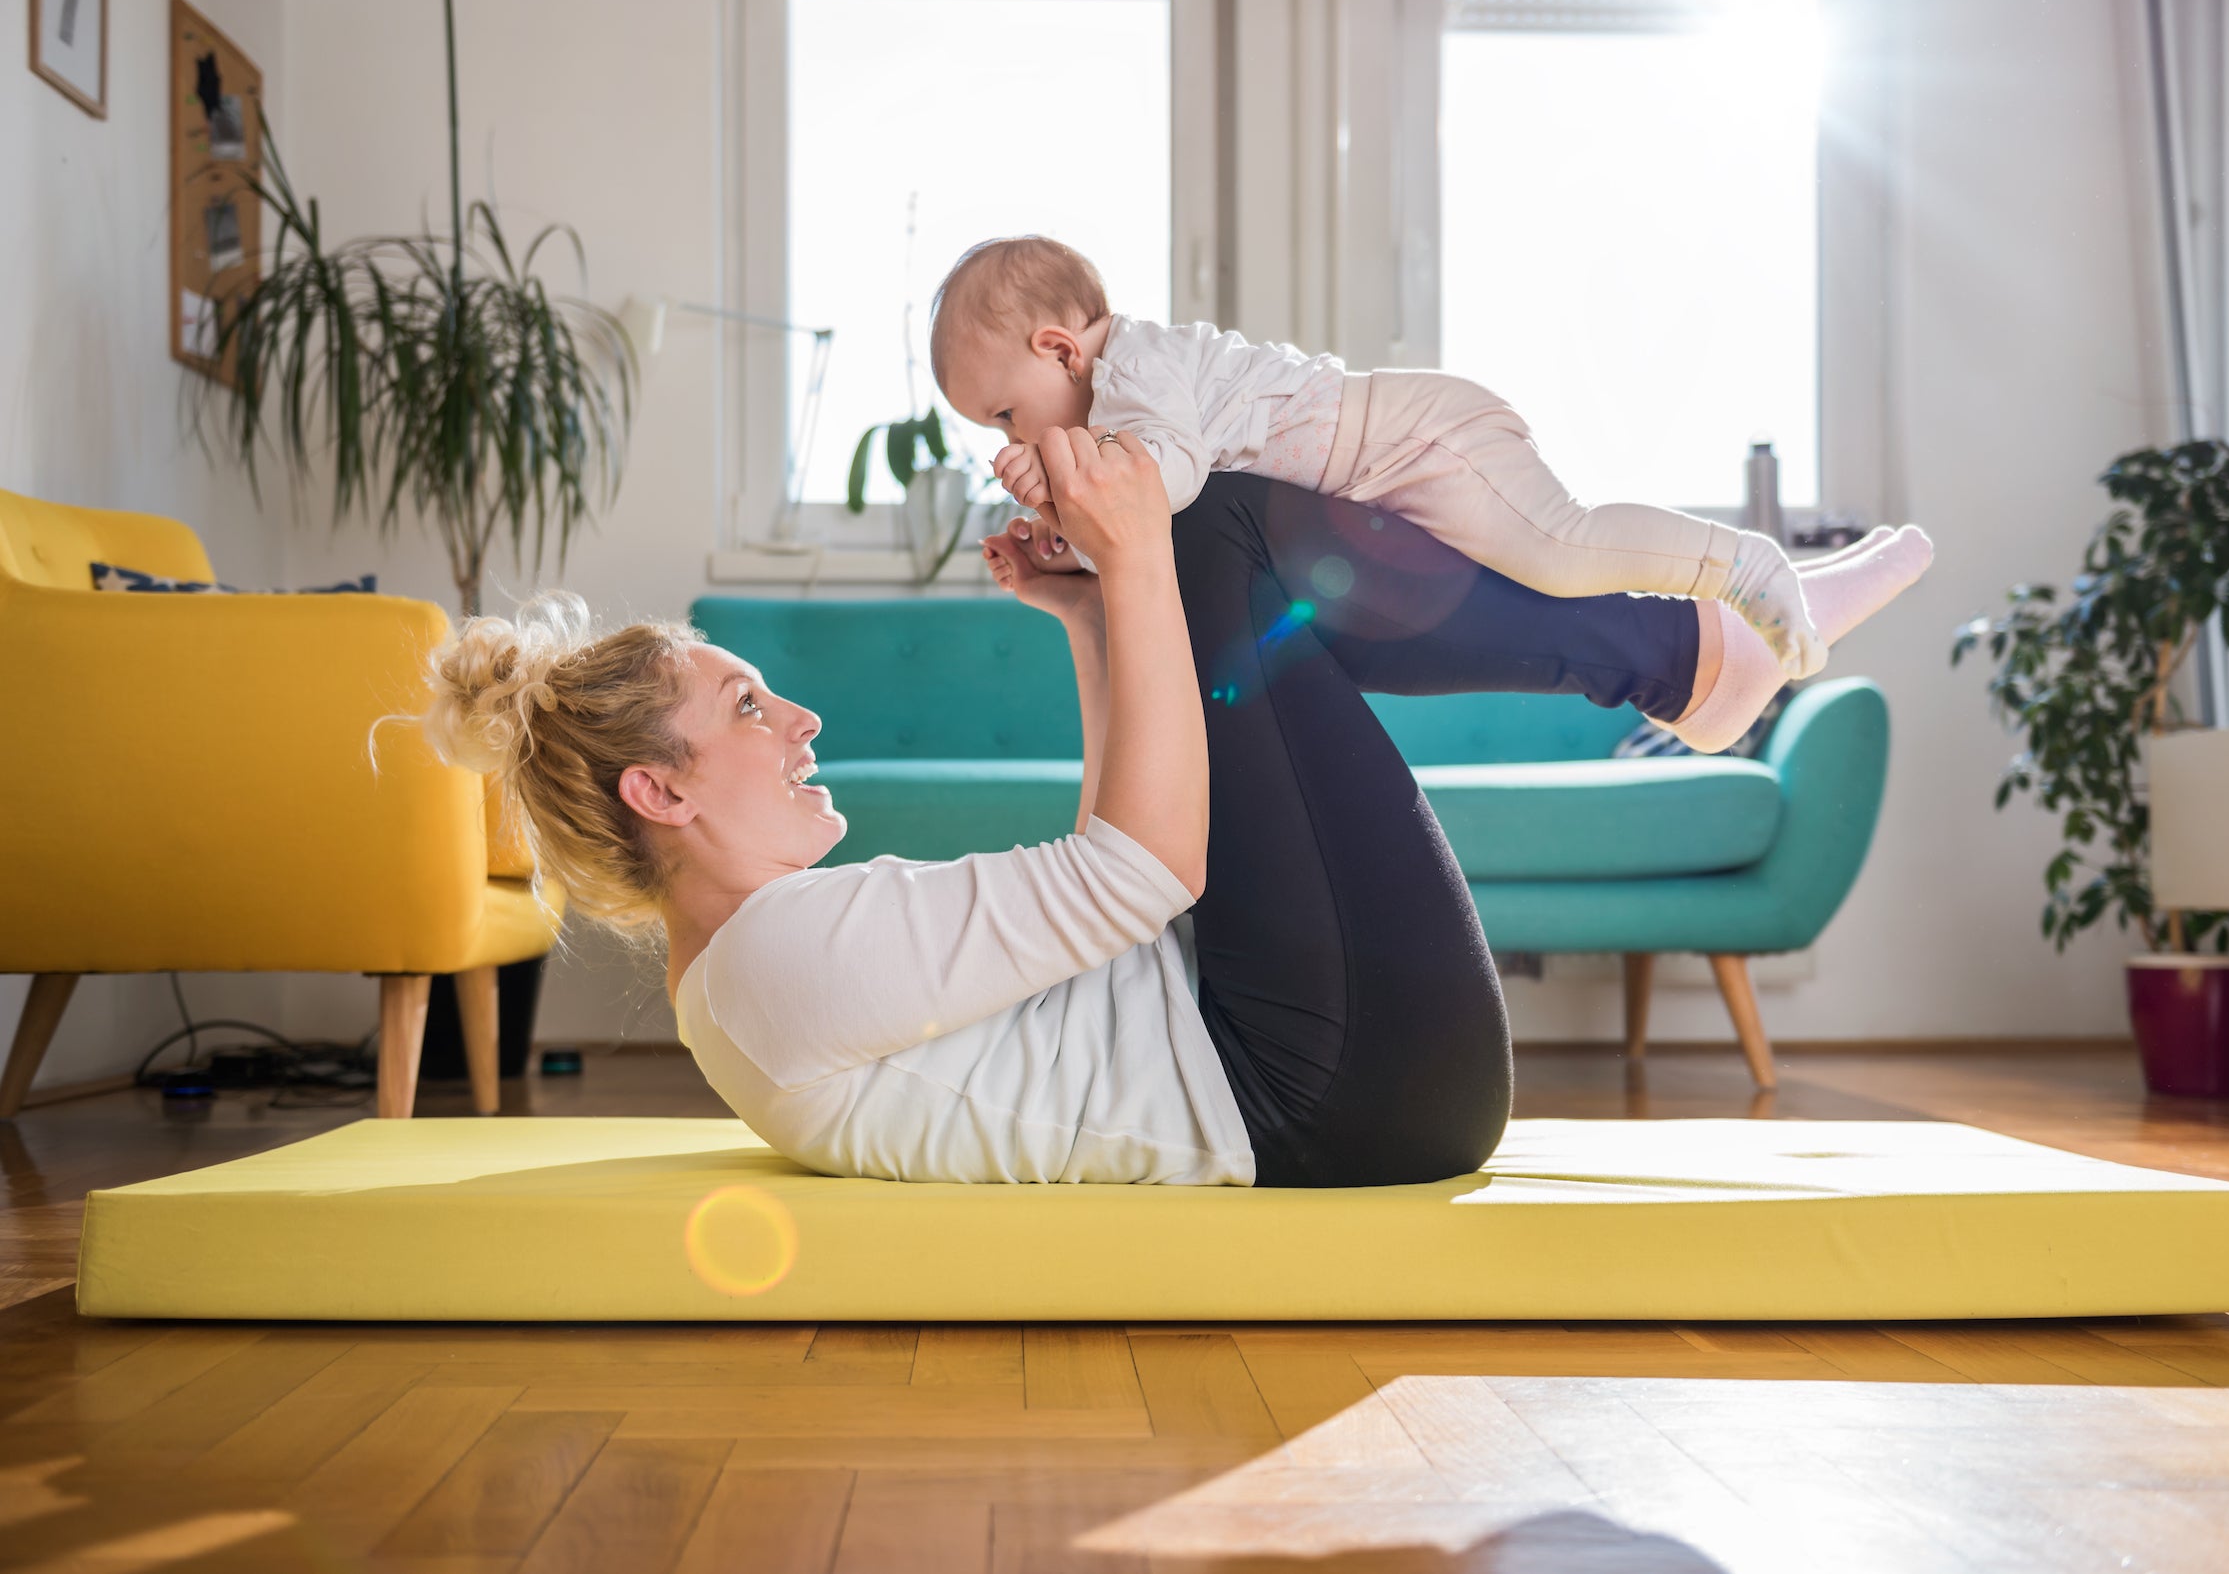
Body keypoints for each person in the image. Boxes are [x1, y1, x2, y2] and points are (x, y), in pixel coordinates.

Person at [420, 431, 1919, 1188]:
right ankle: (1683, 657)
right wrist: (1140, 561)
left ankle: (1682, 660)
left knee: (1219, 534)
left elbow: (1110, 902)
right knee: (1216, 521)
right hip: (1332, 1084)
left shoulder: (763, 963)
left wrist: (1098, 619)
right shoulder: (778, 962)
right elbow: (1139, 874)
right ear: (661, 788)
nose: (802, 721)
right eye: (750, 706)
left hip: (1305, 1054)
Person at [929, 235, 1937, 687]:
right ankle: (1712, 667)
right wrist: (1068, 538)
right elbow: (1145, 530)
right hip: (1389, 478)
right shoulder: (1116, 403)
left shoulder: (1134, 367)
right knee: (1521, 592)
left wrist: (1063, 482)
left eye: (1006, 414)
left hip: (1423, 440)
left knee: (1564, 551)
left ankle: (1748, 565)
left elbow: (1169, 479)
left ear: (1061, 350)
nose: (1010, 440)